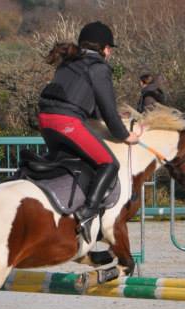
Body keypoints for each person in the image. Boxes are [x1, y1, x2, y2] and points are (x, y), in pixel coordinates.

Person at [38, 21, 142, 243]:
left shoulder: (70, 62)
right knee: (109, 164)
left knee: (70, 162)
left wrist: (115, 115)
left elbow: (89, 105)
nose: (110, 53)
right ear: (105, 48)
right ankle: (87, 213)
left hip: (45, 121)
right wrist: (126, 135)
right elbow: (107, 113)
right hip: (66, 123)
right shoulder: (98, 67)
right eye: (110, 48)